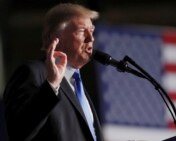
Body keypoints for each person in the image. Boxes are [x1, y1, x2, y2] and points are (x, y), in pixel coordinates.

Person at [3, 3, 103, 141]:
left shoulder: (77, 85)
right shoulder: (34, 73)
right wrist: (51, 84)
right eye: (82, 31)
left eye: (91, 31)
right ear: (56, 37)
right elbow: (19, 131)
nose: (90, 38)